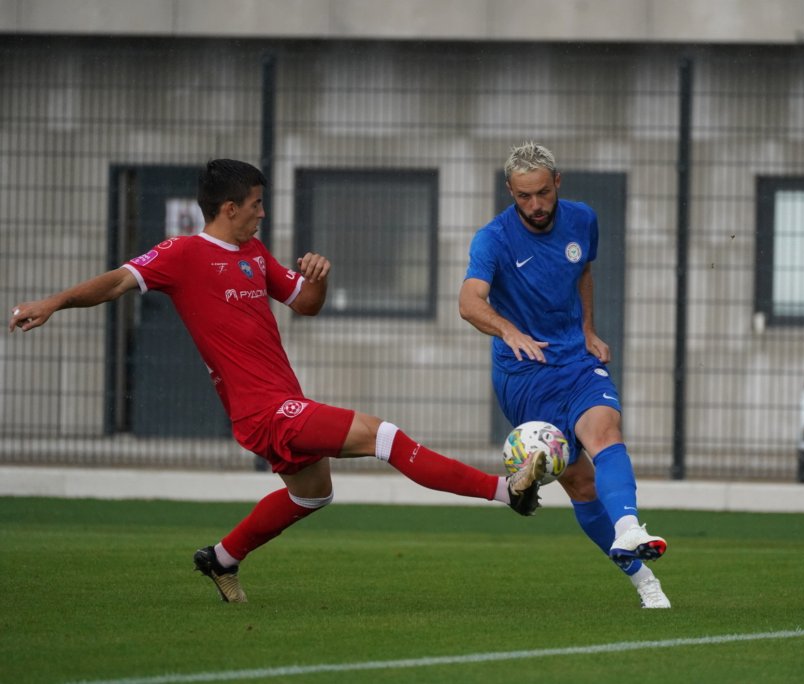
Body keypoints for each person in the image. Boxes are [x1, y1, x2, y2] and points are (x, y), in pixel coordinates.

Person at [8, 158, 546, 603]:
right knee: (385, 436)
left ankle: (220, 558)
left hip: (283, 400)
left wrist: (318, 280)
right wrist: (53, 302)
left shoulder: (253, 254)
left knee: (312, 496)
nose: (263, 213)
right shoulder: (183, 254)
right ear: (229, 208)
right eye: (257, 204)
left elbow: (304, 305)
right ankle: (508, 492)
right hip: (263, 412)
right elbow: (116, 282)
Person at [459, 142, 671, 609]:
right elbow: (469, 302)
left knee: (605, 428)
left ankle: (628, 526)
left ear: (557, 182)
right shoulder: (492, 240)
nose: (534, 206)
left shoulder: (582, 219)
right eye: (523, 197)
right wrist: (508, 329)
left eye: (541, 193)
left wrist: (588, 329)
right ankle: (643, 582)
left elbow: (583, 271)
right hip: (524, 375)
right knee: (580, 484)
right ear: (510, 192)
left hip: (575, 360)